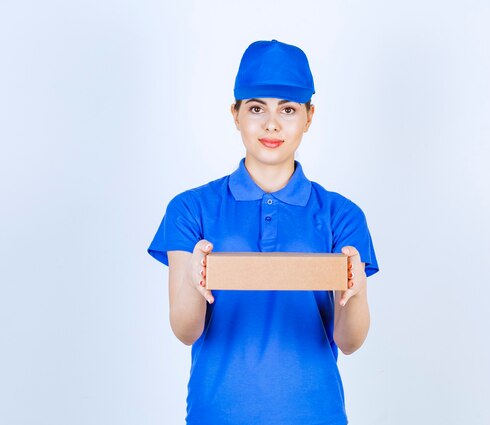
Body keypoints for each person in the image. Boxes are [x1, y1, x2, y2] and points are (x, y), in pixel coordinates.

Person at [148, 39, 379, 425]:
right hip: (217, 413)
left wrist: (353, 290)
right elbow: (186, 330)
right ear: (235, 114)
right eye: (257, 108)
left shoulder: (341, 215)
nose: (272, 123)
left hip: (315, 414)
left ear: (309, 116)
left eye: (287, 109)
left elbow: (350, 342)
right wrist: (194, 280)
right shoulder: (191, 209)